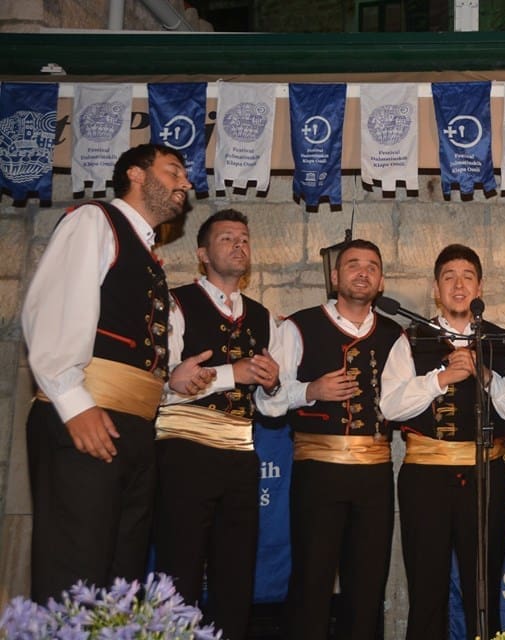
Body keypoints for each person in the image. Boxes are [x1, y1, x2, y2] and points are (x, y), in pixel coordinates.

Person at [21, 143, 212, 601]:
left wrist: (168, 383)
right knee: (75, 572)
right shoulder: (95, 221)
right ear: (136, 174)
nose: (185, 183)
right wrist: (74, 405)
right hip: (91, 418)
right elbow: (53, 312)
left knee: (119, 579)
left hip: (134, 429)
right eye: (173, 171)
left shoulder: (147, 257)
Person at [380, 244, 505, 639]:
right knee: (426, 589)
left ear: (480, 288)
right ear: (436, 289)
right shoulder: (411, 339)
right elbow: (390, 406)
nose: (459, 285)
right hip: (425, 477)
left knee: (482, 590)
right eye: (449, 277)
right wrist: (441, 379)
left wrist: (486, 376)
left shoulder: (503, 341)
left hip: (486, 475)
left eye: (467, 277)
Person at [258, 239, 405, 640]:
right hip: (318, 471)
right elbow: (266, 401)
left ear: (381, 281)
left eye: (372, 266)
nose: (363, 272)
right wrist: (312, 390)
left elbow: (403, 400)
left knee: (368, 584)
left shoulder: (395, 334)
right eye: (353, 264)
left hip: (375, 473)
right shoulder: (297, 326)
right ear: (335, 276)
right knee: (312, 580)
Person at [153, 208, 281, 639]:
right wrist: (233, 373)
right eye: (227, 238)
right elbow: (164, 382)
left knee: (236, 572)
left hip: (241, 453)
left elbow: (273, 407)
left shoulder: (263, 316)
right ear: (202, 254)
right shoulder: (176, 303)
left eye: (244, 238)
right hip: (184, 448)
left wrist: (272, 385)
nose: (238, 245)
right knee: (180, 567)